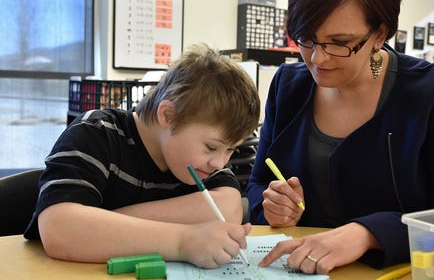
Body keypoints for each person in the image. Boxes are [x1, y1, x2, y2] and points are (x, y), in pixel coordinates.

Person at [246, 0, 434, 274]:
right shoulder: (288, 88)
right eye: (306, 38)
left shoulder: (432, 93)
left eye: (340, 43)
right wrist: (270, 206)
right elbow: (258, 183)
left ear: (379, 34)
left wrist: (367, 234)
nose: (317, 58)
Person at [24, 44, 261, 268]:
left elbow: (228, 209)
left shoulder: (202, 163)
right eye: (211, 147)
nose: (220, 162)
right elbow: (59, 229)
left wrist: (103, 223)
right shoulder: (96, 133)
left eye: (231, 149)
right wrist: (182, 241)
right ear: (168, 116)